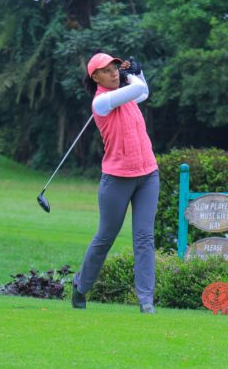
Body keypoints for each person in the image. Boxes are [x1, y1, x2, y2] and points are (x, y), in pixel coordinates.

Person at [72, 51, 160, 314]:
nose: (113, 73)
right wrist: (132, 74)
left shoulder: (127, 93)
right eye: (107, 70)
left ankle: (146, 300)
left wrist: (137, 70)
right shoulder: (102, 102)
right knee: (105, 237)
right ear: (95, 76)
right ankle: (81, 286)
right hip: (117, 179)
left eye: (115, 68)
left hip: (147, 175)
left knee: (144, 237)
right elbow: (138, 88)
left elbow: (143, 92)